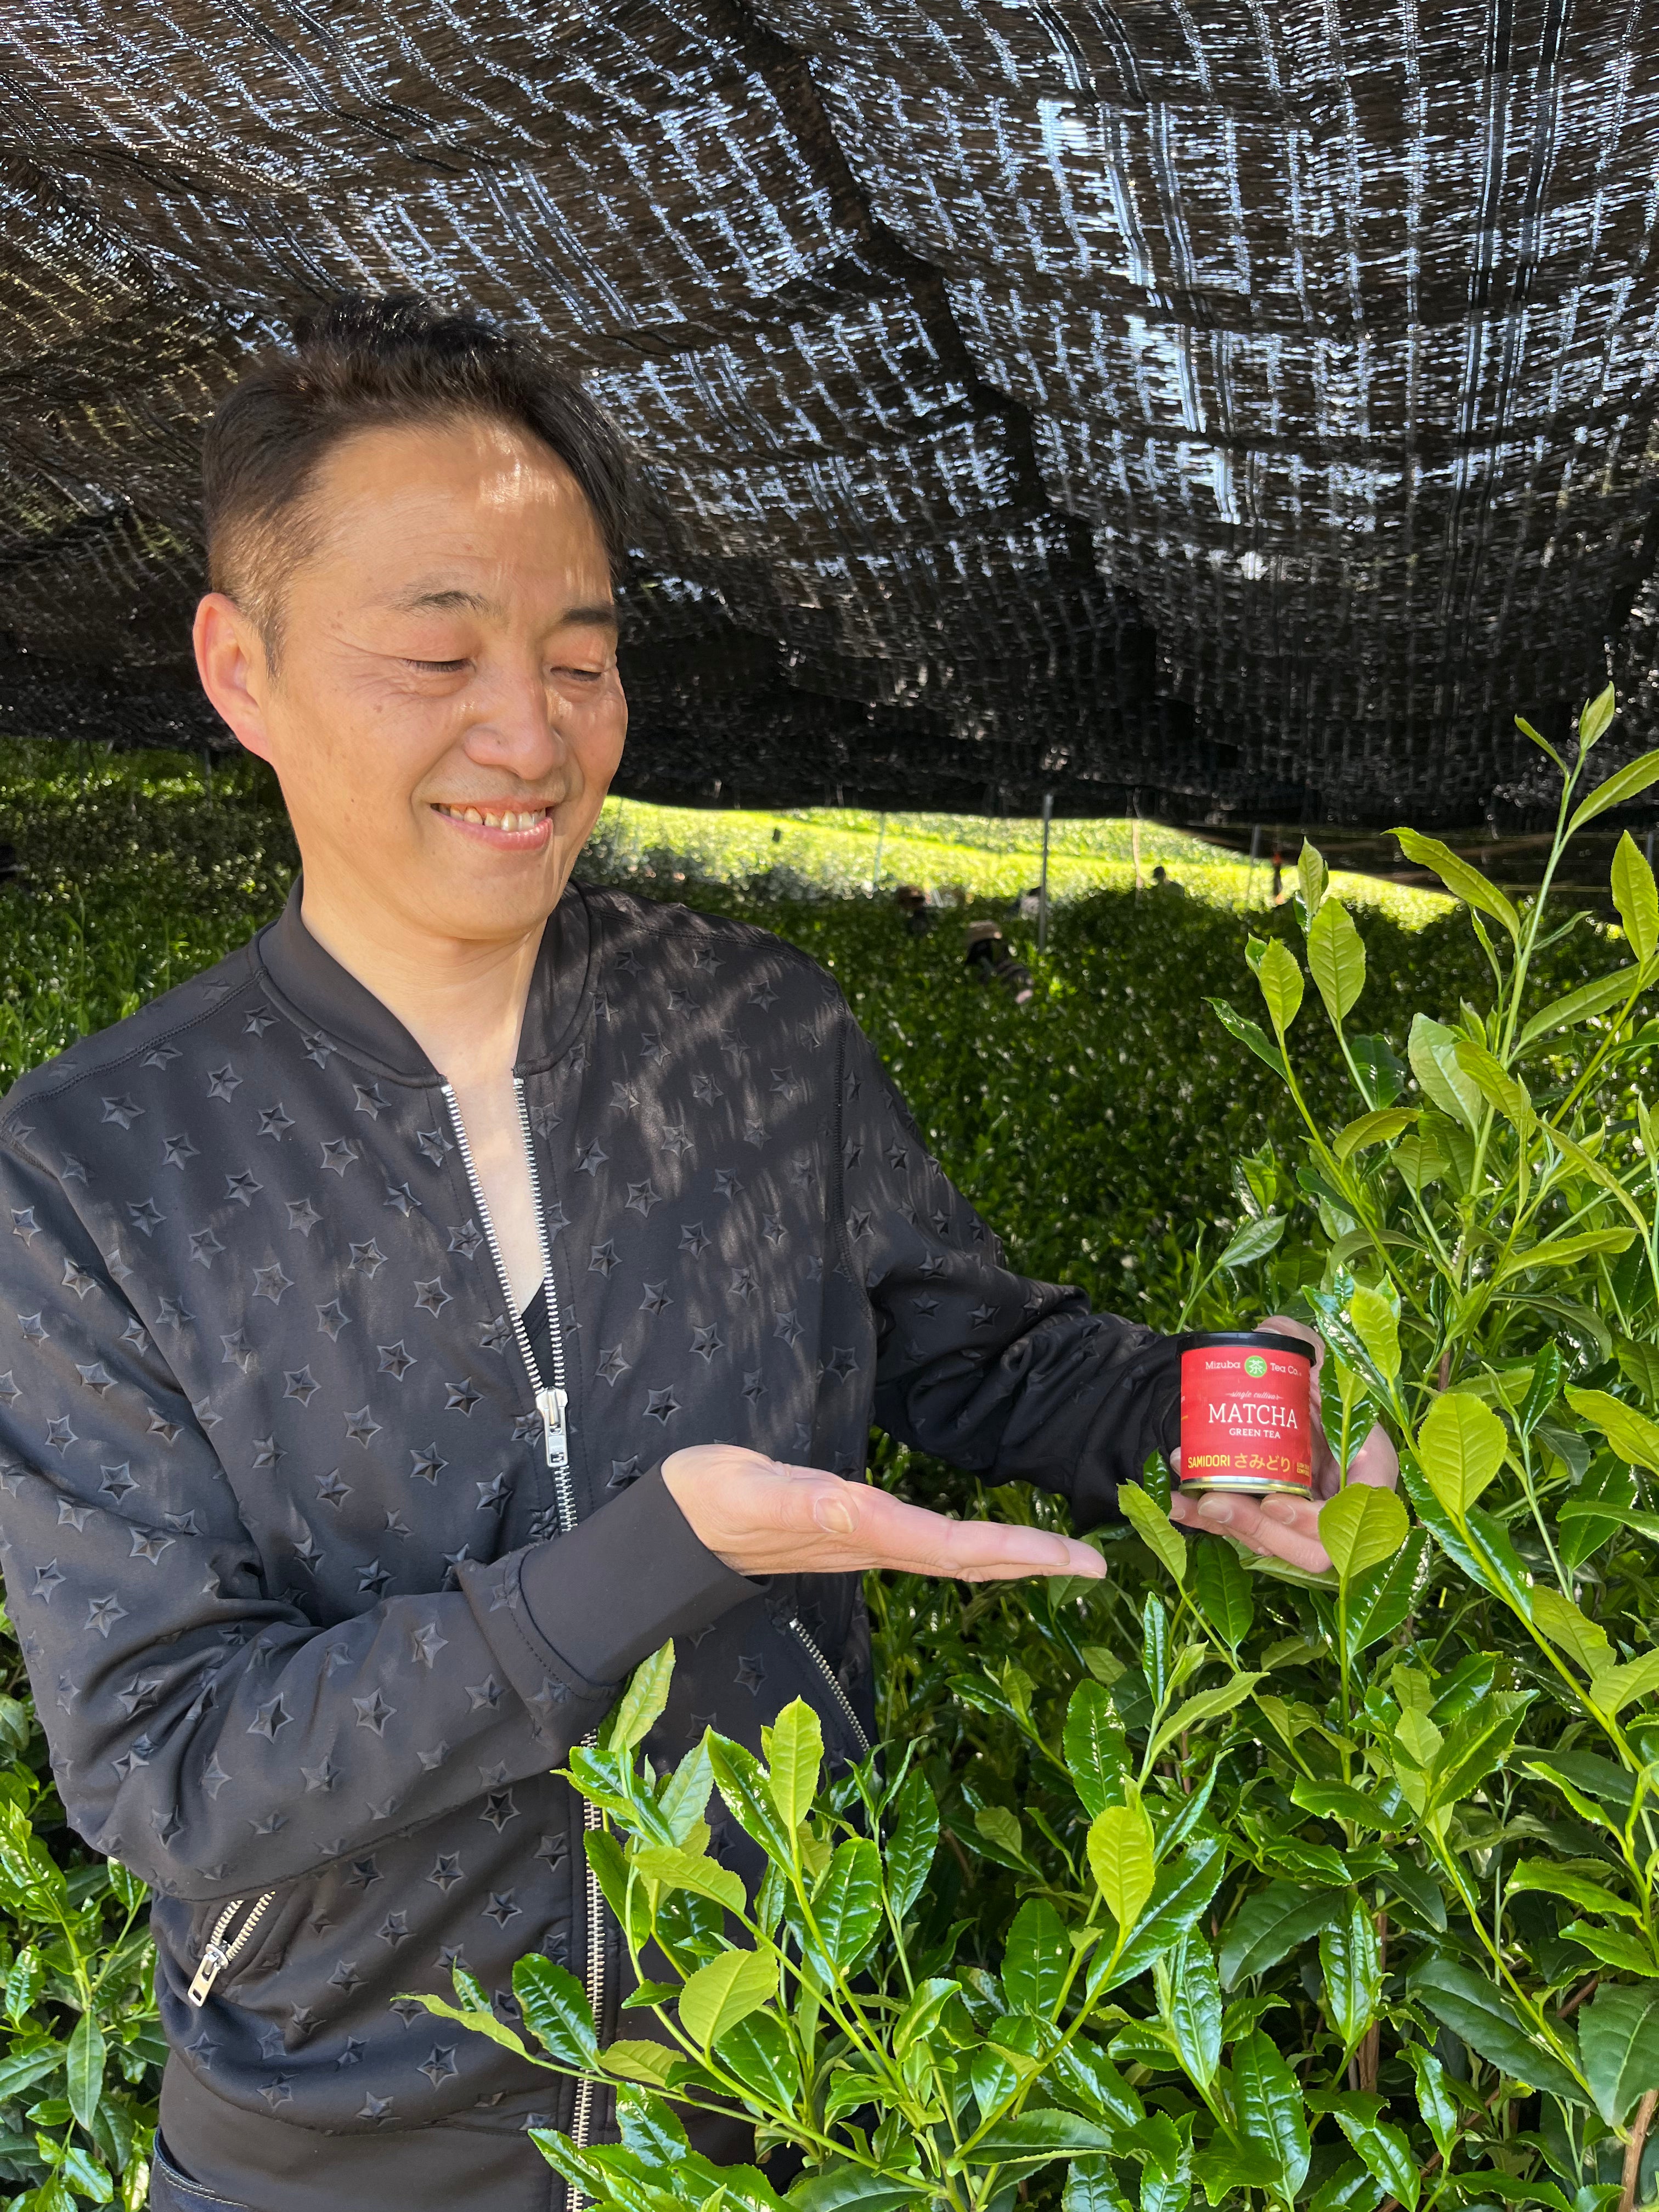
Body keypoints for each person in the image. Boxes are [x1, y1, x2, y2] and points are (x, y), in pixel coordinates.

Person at [0, 294, 1397, 2212]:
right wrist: (664, 1556)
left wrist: (1230, 1411)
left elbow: (976, 1355)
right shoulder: (101, 1168)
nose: (532, 728)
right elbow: (174, 1767)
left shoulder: (756, 1034)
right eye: (440, 649)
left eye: (583, 657)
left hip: (776, 2112)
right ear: (241, 670)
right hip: (336, 2165)